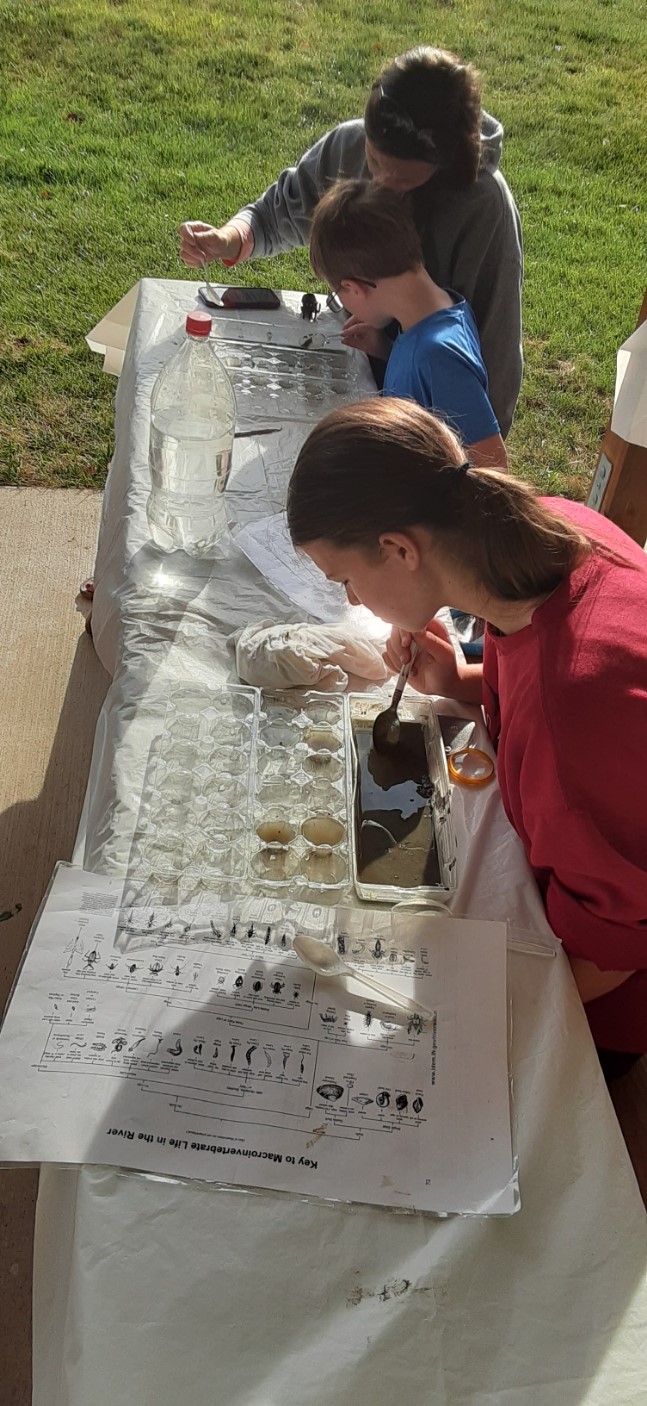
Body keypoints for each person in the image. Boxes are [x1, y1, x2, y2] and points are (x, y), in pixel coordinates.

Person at [286, 398, 647, 1069]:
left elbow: (616, 947)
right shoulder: (553, 528)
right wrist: (460, 682)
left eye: (345, 581)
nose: (353, 604)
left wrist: (445, 1015)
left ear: (398, 549)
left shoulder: (573, 713)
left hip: (604, 993)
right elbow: (546, 661)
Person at [179, 46, 523, 436]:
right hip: (371, 357)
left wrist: (468, 456)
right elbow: (279, 210)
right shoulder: (350, 143)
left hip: (427, 419)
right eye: (374, 163)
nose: (381, 186)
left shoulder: (484, 208)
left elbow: (494, 361)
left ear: (444, 164)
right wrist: (229, 237)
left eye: (404, 181)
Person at [308, 178, 508, 470]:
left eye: (339, 293)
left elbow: (494, 464)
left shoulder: (438, 354)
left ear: (354, 288)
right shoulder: (430, 313)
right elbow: (430, 391)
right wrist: (387, 349)